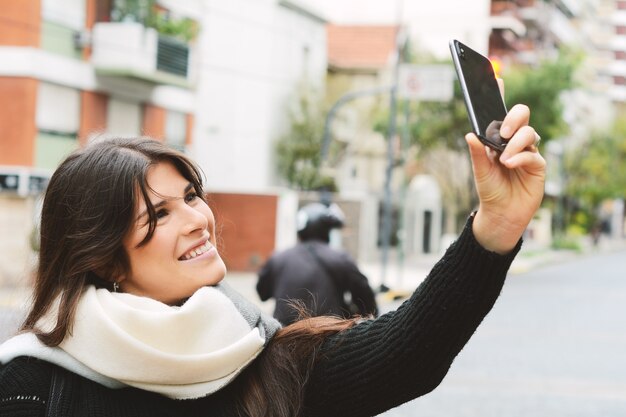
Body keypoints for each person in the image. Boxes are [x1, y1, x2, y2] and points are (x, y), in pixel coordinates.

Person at [0, 101, 545, 417]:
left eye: (192, 196)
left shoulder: (260, 358)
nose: (197, 219)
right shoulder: (30, 384)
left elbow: (407, 353)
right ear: (103, 260)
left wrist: (495, 228)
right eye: (157, 216)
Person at [256, 202, 378, 325]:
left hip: (284, 337)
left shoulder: (277, 258)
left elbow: (263, 294)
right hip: (331, 337)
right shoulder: (341, 258)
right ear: (326, 230)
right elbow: (365, 298)